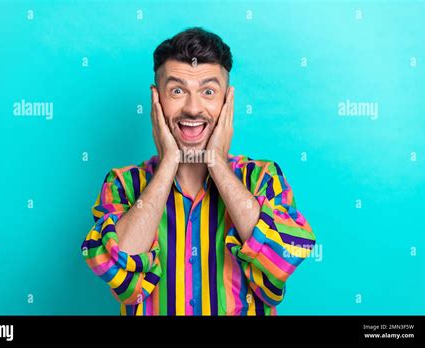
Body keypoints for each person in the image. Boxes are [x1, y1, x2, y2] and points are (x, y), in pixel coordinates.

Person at [81, 27, 316, 316]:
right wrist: (169, 162)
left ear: (227, 102)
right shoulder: (123, 184)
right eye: (177, 91)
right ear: (156, 100)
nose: (193, 108)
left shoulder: (262, 179)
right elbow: (123, 279)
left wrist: (216, 160)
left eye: (208, 91)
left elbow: (280, 262)